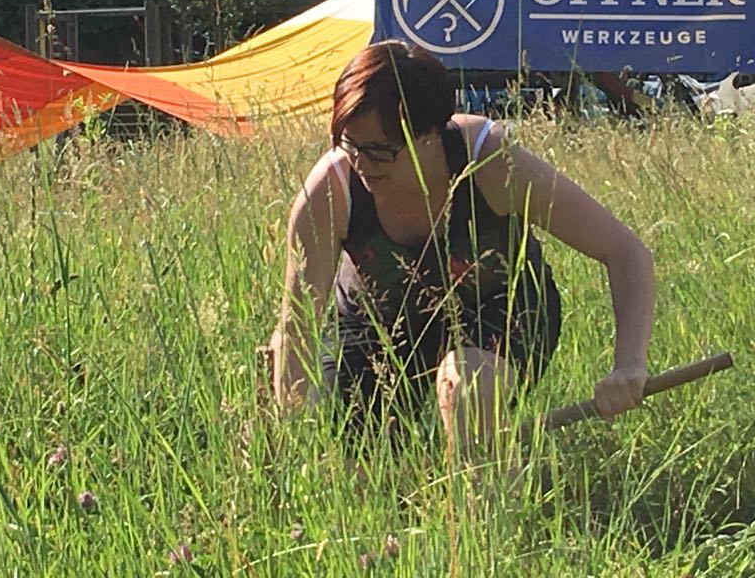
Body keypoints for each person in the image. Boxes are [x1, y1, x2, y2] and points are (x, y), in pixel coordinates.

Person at [269, 40, 654, 457]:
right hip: (377, 324)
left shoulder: (490, 161)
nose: (361, 163)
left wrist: (629, 365)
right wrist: (289, 426)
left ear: (430, 135)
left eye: (379, 150)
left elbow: (625, 251)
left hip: (499, 309)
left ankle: (485, 495)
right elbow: (297, 327)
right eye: (349, 144)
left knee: (467, 386)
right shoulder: (329, 193)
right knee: (361, 461)